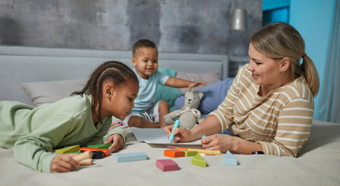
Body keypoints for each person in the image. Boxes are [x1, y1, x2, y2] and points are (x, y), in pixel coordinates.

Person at [164, 22, 320, 157]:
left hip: (247, 108)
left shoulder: (297, 98)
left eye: (257, 62)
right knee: (180, 104)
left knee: (188, 117)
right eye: (250, 58)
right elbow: (225, 113)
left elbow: (285, 150)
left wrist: (234, 144)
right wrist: (191, 134)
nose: (249, 67)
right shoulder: (247, 73)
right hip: (239, 89)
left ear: (284, 65)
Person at [0, 61, 139, 173]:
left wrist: (118, 133)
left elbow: (92, 142)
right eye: (130, 99)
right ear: (109, 91)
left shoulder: (105, 117)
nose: (133, 106)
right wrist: (47, 161)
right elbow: (24, 144)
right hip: (6, 122)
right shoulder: (76, 113)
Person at [124, 39, 206, 128]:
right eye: (146, 61)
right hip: (133, 113)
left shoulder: (156, 75)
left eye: (154, 61)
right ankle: (158, 126)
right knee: (133, 122)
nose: (150, 64)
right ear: (134, 61)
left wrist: (188, 83)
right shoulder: (130, 77)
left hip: (150, 111)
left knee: (163, 104)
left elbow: (172, 81)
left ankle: (164, 125)